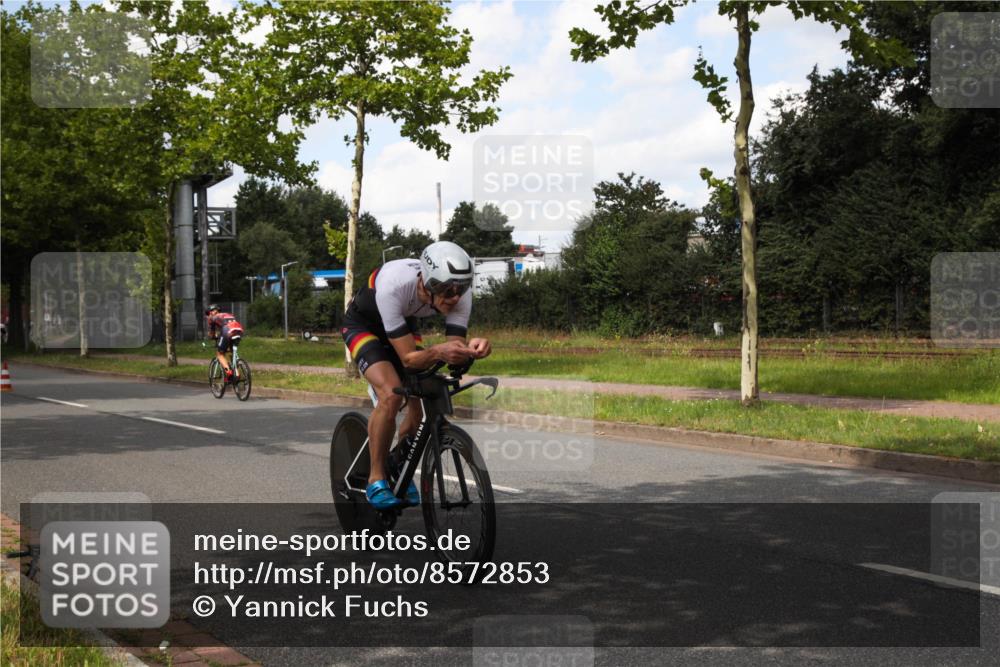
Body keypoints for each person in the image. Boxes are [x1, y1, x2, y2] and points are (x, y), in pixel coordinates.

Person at [341, 241, 491, 509]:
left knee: (419, 402)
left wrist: (471, 351)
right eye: (447, 291)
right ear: (428, 284)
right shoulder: (394, 285)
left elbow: (453, 349)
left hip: (401, 323)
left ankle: (399, 466)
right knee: (390, 393)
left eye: (460, 290)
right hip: (364, 325)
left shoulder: (458, 292)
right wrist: (438, 351)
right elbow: (409, 359)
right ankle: (376, 478)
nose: (455, 297)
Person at [205, 305, 244, 382]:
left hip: (227, 330)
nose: (208, 316)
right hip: (239, 329)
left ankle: (228, 372)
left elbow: (212, 333)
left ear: (211, 312)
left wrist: (212, 337)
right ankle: (236, 374)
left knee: (220, 354)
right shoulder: (226, 314)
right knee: (231, 352)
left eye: (208, 314)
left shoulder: (212, 317)